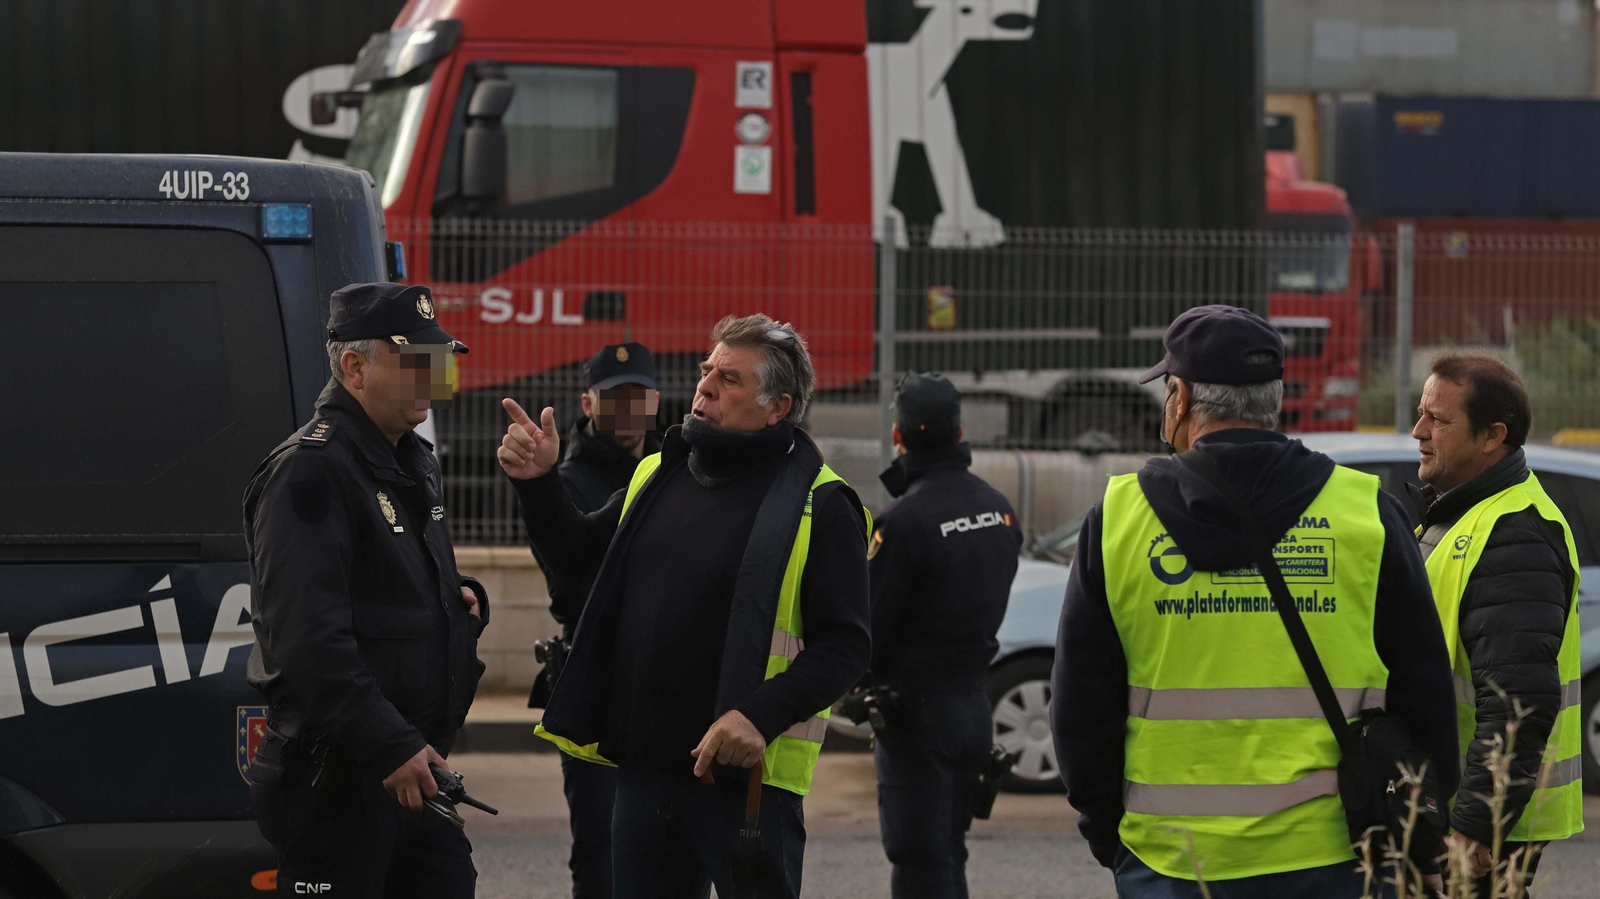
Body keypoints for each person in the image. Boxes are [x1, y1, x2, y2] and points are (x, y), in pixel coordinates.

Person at [1051, 305, 1459, 897]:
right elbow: (1425, 691)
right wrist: (1424, 830)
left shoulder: (1118, 520)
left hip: (1172, 862)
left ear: (1181, 399)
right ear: (1275, 397)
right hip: (1338, 858)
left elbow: (1080, 711)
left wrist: (1113, 840)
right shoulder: (1365, 514)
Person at [498, 314, 871, 898]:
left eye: (729, 380)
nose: (704, 387)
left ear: (777, 406)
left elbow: (847, 647)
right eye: (706, 371)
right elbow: (577, 565)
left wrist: (759, 716)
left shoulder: (821, 504)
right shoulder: (659, 471)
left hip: (744, 780)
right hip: (646, 771)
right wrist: (540, 485)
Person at [244, 282, 489, 899]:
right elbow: (307, 638)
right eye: (416, 362)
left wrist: (457, 604)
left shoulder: (413, 458)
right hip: (344, 779)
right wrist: (391, 744)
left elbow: (389, 583)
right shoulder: (312, 469)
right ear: (354, 367)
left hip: (412, 769)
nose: (433, 379)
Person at [1408, 352, 1585, 895]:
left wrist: (1477, 824)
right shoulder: (1462, 514)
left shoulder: (1515, 532)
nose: (1418, 431)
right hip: (1459, 804)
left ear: (1492, 437)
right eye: (1421, 413)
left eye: (1438, 420)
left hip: (1483, 827)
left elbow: (1517, 700)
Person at [863, 372, 1020, 899]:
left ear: (897, 437)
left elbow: (867, 629)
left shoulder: (901, 523)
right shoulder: (998, 510)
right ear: (959, 432)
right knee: (949, 852)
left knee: (918, 864)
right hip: (974, 709)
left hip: (916, 720)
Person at [530, 342, 663, 899]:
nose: (629, 409)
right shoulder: (565, 482)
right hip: (597, 690)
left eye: (639, 396)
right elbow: (570, 590)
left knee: (669, 854)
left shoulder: (681, 465)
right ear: (589, 403)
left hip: (666, 684)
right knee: (603, 857)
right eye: (615, 398)